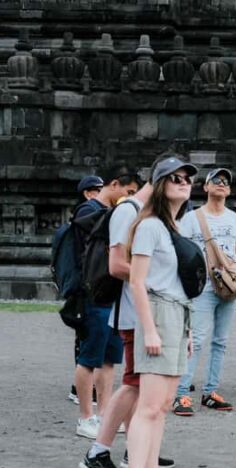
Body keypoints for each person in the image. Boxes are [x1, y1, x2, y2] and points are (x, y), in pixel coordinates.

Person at [79, 159, 174, 468]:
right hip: (133, 313)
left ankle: (134, 447)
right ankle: (99, 451)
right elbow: (116, 264)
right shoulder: (128, 211)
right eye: (174, 179)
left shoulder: (150, 214)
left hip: (148, 310)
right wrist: (155, 277)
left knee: (140, 386)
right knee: (134, 384)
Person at [122, 156, 197, 468]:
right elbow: (137, 282)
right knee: (148, 406)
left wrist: (187, 330)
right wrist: (149, 328)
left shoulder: (176, 226)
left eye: (187, 178)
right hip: (158, 314)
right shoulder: (150, 225)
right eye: (176, 178)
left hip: (177, 314)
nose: (184, 182)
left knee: (164, 406)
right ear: (161, 183)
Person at [173, 168, 236, 415]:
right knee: (195, 340)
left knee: (221, 342)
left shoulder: (235, 219)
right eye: (215, 180)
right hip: (202, 286)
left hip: (227, 286)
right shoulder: (191, 218)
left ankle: (210, 391)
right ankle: (182, 394)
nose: (221, 183)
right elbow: (181, 251)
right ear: (205, 187)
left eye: (226, 181)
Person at [73, 170, 139, 439]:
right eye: (129, 192)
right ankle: (86, 416)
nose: (131, 199)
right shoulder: (89, 212)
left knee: (110, 358)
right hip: (95, 292)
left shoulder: (114, 213)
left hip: (113, 294)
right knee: (89, 357)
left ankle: (104, 413)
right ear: (115, 185)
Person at [67, 174, 104, 406]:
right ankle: (80, 388)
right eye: (99, 190)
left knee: (90, 334)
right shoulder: (87, 211)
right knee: (87, 335)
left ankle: (87, 385)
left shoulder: (91, 211)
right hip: (86, 283)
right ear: (89, 193)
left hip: (90, 281)